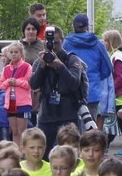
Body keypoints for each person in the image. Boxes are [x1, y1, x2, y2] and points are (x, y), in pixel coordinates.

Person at [30, 26, 88, 156]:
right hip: (46, 115)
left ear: (62, 40)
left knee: (69, 154)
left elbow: (74, 84)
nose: (52, 45)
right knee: (44, 156)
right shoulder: (40, 60)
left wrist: (60, 66)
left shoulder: (71, 59)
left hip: (68, 114)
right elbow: (33, 84)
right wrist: (42, 66)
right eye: (49, 42)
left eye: (56, 42)